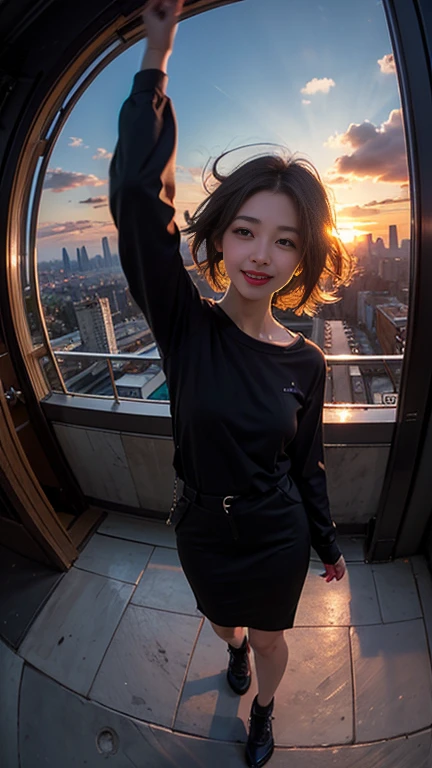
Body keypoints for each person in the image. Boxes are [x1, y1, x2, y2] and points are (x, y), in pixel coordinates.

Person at [109, 1, 351, 766]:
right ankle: (233, 648)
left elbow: (306, 461)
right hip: (203, 529)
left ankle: (265, 712)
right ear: (218, 237)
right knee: (224, 626)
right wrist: (158, 57)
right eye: (245, 230)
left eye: (284, 240)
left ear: (302, 259)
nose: (261, 255)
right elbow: (136, 206)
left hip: (275, 533)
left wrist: (325, 540)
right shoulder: (187, 326)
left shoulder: (305, 362)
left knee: (275, 636)